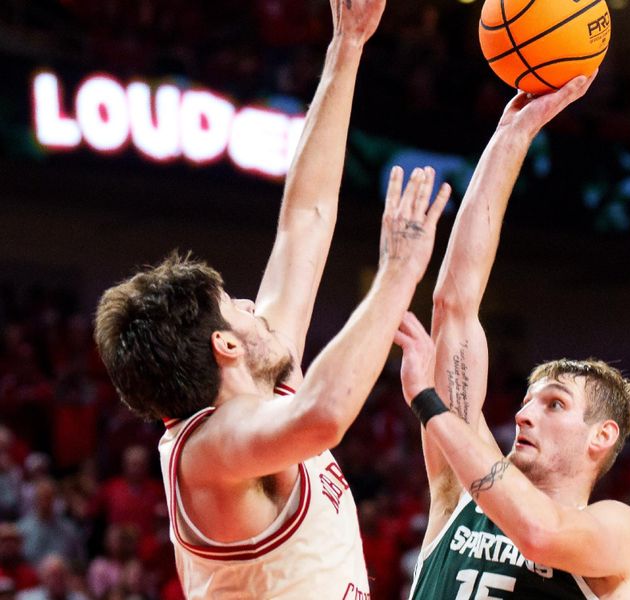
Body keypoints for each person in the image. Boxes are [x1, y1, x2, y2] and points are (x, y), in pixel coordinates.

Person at [92, 0, 451, 595]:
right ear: (225, 345)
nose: (256, 306)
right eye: (238, 305)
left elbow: (305, 220)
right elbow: (324, 416)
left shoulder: (264, 380)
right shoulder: (204, 452)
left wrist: (348, 46)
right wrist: (395, 276)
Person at [393, 75, 630, 599]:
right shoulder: (460, 492)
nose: (522, 415)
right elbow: (454, 307)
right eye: (531, 401)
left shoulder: (619, 532)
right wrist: (512, 135)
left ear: (601, 436)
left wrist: (428, 400)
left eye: (554, 405)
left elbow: (540, 533)